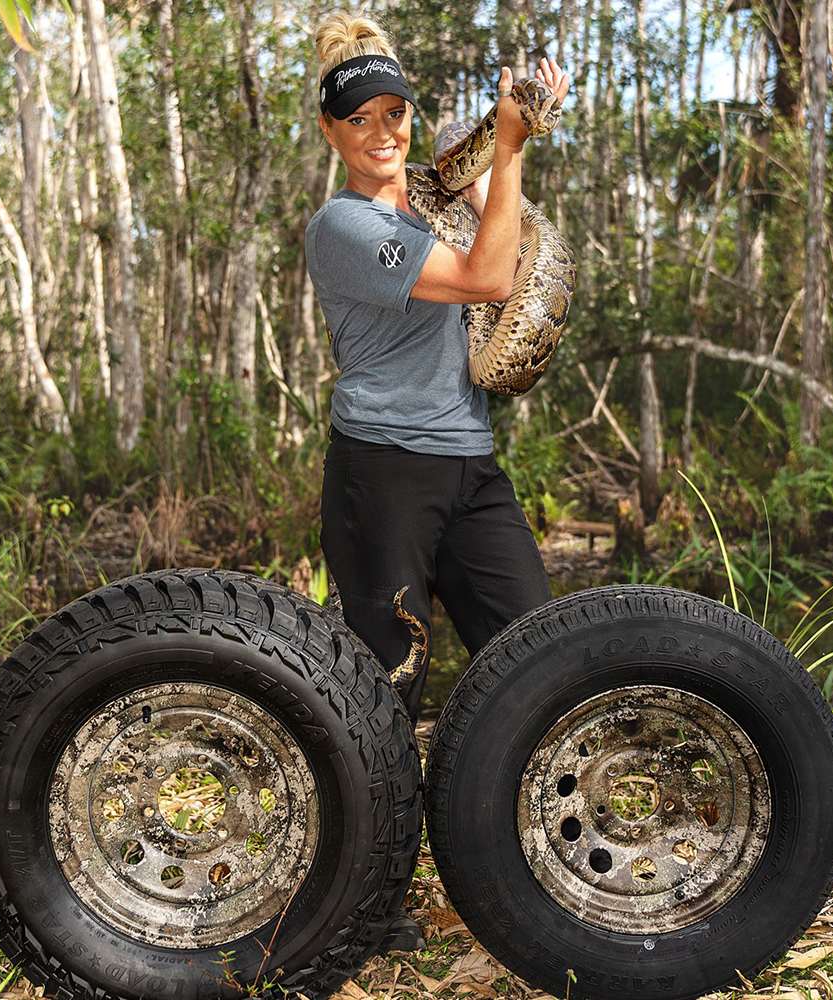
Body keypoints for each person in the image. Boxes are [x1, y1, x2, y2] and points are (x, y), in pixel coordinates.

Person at [304, 12, 568, 950]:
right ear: (333, 132)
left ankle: (540, 872)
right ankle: (358, 911)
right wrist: (504, 147)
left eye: (396, 114)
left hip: (470, 464)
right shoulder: (345, 224)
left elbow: (486, 190)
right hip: (384, 473)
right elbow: (493, 277)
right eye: (361, 119)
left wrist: (519, 124)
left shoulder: (423, 195)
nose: (383, 133)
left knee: (539, 656)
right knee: (380, 698)